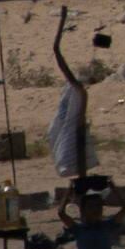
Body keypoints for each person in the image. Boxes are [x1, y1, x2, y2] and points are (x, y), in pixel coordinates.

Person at [47, 23, 105, 186]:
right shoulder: (77, 90)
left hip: (75, 129)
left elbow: (66, 71)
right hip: (73, 129)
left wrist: (57, 51)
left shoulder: (79, 91)